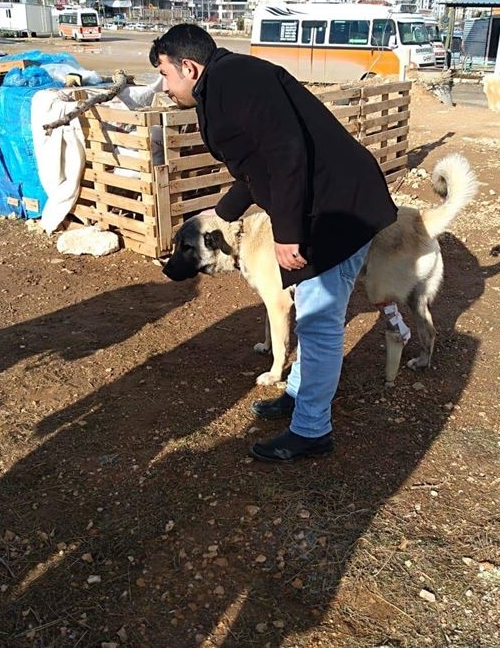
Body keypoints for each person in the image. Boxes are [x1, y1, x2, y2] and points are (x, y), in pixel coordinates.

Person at [149, 24, 398, 462]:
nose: (164, 87)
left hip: (339, 209)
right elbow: (256, 167)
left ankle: (311, 431)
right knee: (308, 310)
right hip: (321, 204)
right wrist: (222, 215)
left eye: (165, 75)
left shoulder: (237, 81)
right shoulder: (223, 84)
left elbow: (286, 153)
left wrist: (287, 234)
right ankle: (300, 395)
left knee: (319, 321)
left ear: (188, 67)